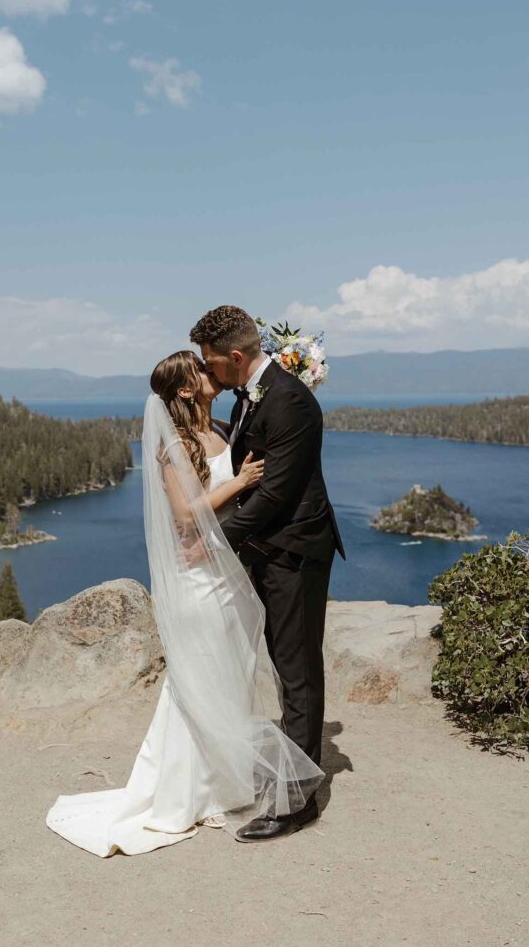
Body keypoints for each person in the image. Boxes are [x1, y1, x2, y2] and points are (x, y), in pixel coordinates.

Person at [45, 350, 324, 857]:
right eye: (200, 369)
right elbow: (183, 515)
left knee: (231, 672)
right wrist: (240, 483)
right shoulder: (173, 443)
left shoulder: (221, 424)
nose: (208, 372)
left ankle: (226, 781)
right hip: (200, 578)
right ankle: (185, 790)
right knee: (198, 675)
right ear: (184, 390)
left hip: (228, 569)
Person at [190, 305, 346, 841]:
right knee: (282, 664)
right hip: (267, 550)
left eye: (210, 362)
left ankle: (297, 802)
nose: (206, 370)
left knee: (298, 667)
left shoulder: (290, 401)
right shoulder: (251, 394)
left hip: (294, 552)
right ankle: (290, 771)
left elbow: (277, 492)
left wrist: (213, 541)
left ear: (236, 357)